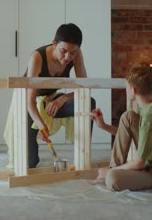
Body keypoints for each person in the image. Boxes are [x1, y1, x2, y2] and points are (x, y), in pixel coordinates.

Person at [91, 62, 152, 191]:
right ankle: (112, 170)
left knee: (113, 179)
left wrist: (109, 172)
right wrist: (103, 126)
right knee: (128, 117)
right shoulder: (148, 109)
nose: (126, 90)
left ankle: (110, 173)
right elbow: (133, 133)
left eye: (127, 87)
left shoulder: (151, 119)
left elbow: (140, 162)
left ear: (133, 90)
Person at [22, 23, 96, 168]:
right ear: (54, 43)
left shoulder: (76, 55)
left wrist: (63, 98)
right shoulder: (37, 57)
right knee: (30, 162)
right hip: (30, 104)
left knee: (89, 102)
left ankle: (83, 156)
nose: (68, 57)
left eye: (73, 52)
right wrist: (41, 125)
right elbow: (30, 101)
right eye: (63, 51)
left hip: (51, 99)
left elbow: (84, 89)